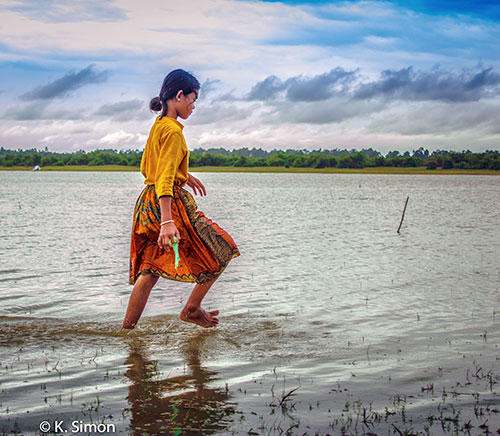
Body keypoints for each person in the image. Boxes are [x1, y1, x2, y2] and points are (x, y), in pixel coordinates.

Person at [122, 69, 240, 330]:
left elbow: (152, 167)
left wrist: (184, 175)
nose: (193, 105)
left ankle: (126, 332)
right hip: (168, 205)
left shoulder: (159, 126)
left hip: (148, 203)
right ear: (178, 95)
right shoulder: (174, 132)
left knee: (150, 271)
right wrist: (167, 221)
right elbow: (164, 175)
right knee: (223, 248)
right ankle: (192, 308)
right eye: (192, 99)